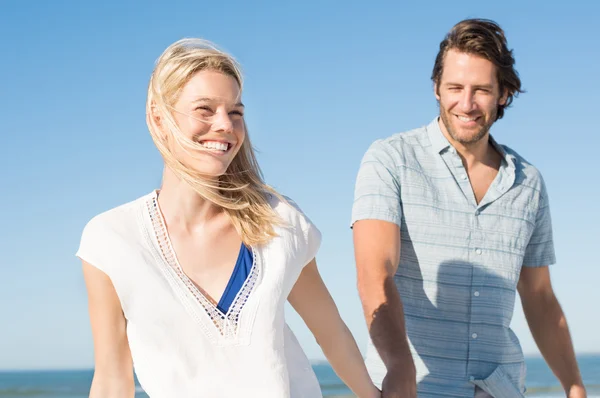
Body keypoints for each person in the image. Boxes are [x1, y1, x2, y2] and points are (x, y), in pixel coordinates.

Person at [77, 38, 380, 398]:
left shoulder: (279, 222)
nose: (225, 125)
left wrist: (374, 395)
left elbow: (331, 334)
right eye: (205, 109)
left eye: (235, 112)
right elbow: (113, 378)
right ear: (159, 118)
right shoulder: (111, 240)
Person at [351, 19, 586, 398]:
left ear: (504, 94)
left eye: (481, 90)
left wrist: (574, 384)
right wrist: (399, 367)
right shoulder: (390, 159)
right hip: (413, 388)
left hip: (501, 388)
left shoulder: (529, 183)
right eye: (455, 88)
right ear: (436, 89)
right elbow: (375, 273)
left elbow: (540, 296)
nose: (466, 103)